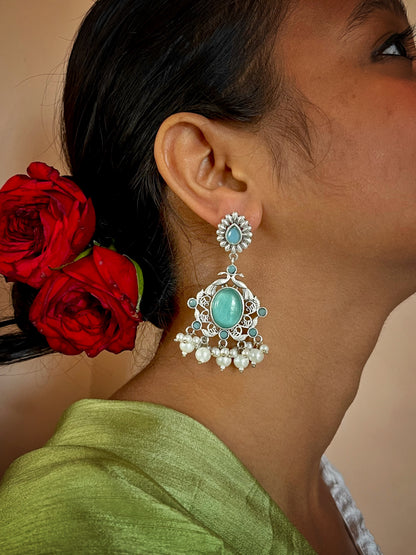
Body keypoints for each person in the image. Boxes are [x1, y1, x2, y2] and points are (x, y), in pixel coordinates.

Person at [0, 0, 414, 551]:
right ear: (214, 168)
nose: (409, 60)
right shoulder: (88, 525)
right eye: (393, 48)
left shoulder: (313, 491)